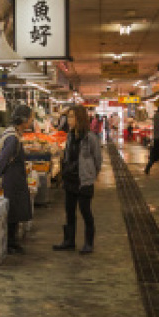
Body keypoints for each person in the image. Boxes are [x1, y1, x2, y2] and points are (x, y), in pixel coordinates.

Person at [54, 105, 102, 254]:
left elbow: (98, 160)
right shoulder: (69, 136)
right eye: (68, 117)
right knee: (69, 211)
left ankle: (88, 243)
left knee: (85, 211)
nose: (69, 120)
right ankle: (69, 241)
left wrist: (90, 175)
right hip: (70, 180)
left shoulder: (90, 138)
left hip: (84, 181)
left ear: (80, 118)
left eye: (72, 117)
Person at [0, 105, 34, 254]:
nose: (31, 121)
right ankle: (10, 243)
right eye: (30, 118)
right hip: (12, 179)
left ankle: (13, 241)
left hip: (16, 177)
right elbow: (4, 158)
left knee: (15, 211)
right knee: (12, 211)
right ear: (23, 120)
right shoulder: (12, 137)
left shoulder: (14, 134)